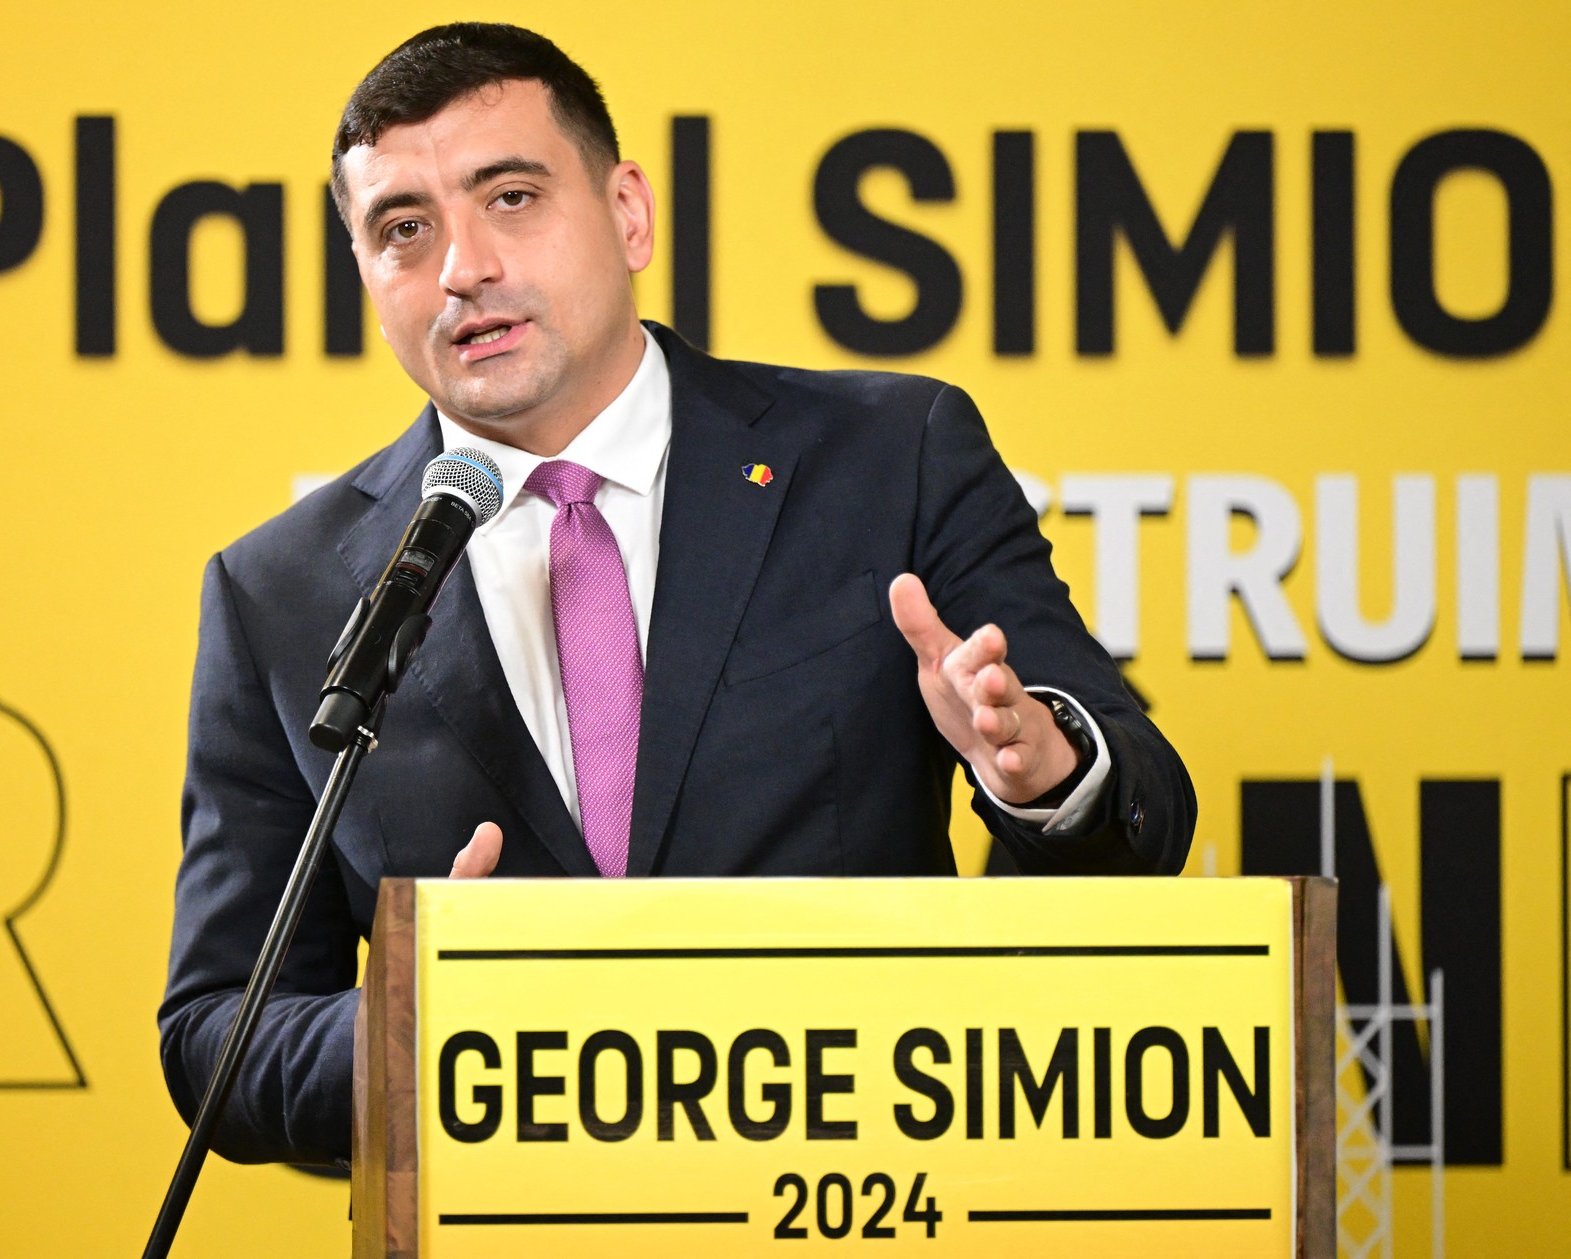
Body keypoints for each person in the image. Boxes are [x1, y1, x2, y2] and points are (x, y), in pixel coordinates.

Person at [160, 22, 1195, 1168]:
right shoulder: (282, 592)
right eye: (404, 230)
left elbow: (1140, 811)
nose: (462, 268)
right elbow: (216, 1035)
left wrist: (1044, 776)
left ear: (628, 212)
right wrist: (421, 1018)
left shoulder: (889, 456)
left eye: (510, 197)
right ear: (368, 273)